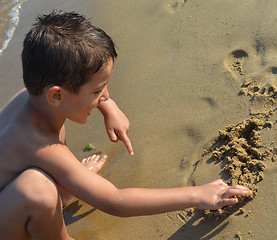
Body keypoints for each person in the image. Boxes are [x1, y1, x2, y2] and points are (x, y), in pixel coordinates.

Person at [0, 10, 251, 240]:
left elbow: (74, 97)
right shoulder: (39, 144)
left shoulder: (34, 97)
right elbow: (115, 201)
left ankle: (65, 189)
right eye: (98, 90)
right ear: (56, 95)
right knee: (38, 190)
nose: (104, 95)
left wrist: (109, 107)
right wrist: (197, 195)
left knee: (48, 155)